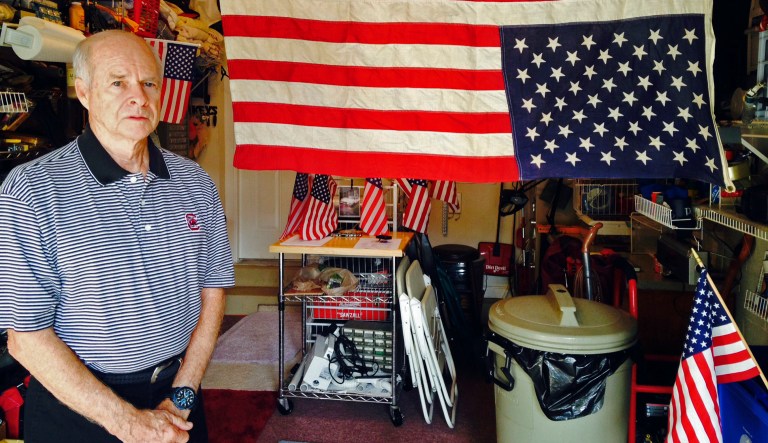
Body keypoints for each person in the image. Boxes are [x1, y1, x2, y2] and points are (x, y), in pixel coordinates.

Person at [0, 30, 234, 442]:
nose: (139, 97)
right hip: (79, 408)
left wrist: (182, 394)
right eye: (118, 82)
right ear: (84, 92)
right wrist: (127, 423)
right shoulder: (31, 191)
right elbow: (26, 339)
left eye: (148, 83)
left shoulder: (195, 182)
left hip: (178, 396)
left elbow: (213, 290)